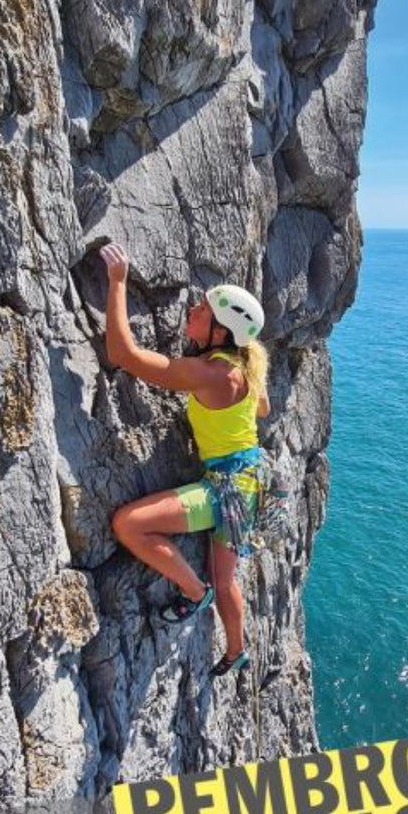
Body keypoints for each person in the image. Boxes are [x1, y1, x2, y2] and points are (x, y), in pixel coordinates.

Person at [99, 242, 270, 677]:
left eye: (202, 309)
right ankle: (236, 651)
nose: (192, 309)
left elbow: (123, 355)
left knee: (128, 524)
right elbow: (262, 408)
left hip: (225, 490)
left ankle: (194, 593)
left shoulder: (210, 373)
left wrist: (117, 283)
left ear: (219, 331)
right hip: (247, 485)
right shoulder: (242, 367)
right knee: (227, 577)